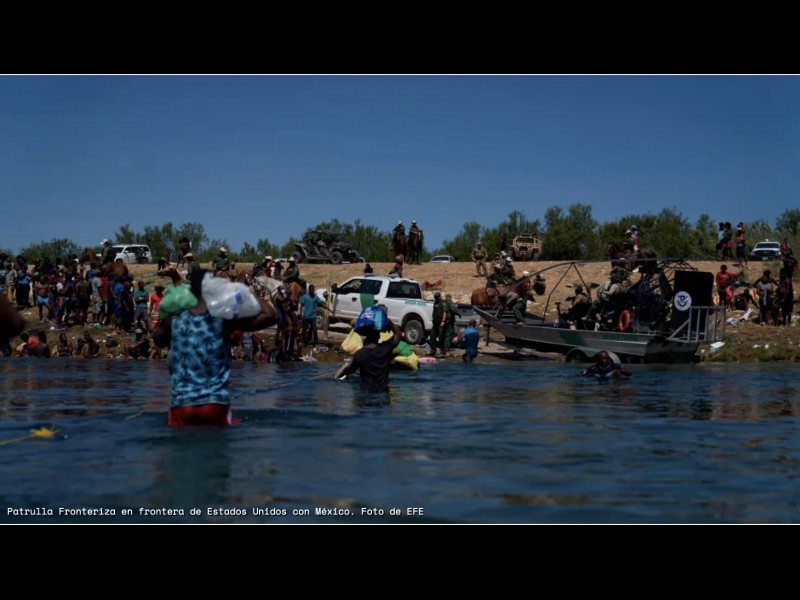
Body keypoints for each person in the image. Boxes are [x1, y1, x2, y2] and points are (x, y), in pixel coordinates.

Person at [153, 269, 278, 426]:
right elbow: (271, 315)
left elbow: (157, 340)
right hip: (214, 406)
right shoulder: (223, 319)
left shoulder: (174, 319)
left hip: (181, 407)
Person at [334, 310, 402, 388]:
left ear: (366, 335)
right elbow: (398, 333)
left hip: (365, 391)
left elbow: (347, 372)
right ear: (379, 336)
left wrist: (343, 367)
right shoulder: (386, 349)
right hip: (383, 391)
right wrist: (389, 323)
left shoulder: (360, 355)